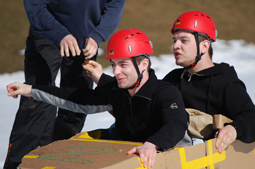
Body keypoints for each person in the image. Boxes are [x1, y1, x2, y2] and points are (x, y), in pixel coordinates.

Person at [6, 28, 191, 169]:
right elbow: (77, 98)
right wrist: (29, 89)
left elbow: (176, 123)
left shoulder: (165, 92)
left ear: (143, 64)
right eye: (113, 65)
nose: (116, 71)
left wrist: (152, 144)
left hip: (166, 156)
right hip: (126, 156)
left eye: (123, 64)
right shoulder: (117, 91)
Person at [4, 0, 127, 168]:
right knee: (38, 101)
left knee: (77, 102)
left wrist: (99, 34)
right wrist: (59, 33)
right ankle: (19, 164)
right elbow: (35, 4)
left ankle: (59, 161)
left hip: (87, 38)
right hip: (47, 34)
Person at [163, 10, 255, 153]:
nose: (176, 46)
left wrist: (233, 129)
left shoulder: (225, 83)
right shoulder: (173, 79)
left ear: (204, 46)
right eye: (175, 40)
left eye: (184, 40)